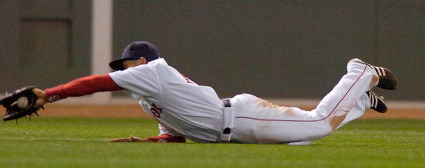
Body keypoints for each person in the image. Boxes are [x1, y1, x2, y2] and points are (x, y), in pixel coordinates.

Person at [32, 41, 397, 144]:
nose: (120, 71)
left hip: (238, 119)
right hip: (234, 128)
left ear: (140, 60)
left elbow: (96, 83)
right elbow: (174, 136)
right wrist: (147, 142)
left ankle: (358, 73)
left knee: (318, 124)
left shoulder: (151, 72)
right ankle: (361, 99)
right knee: (303, 138)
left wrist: (51, 94)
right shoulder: (148, 93)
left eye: (123, 64)